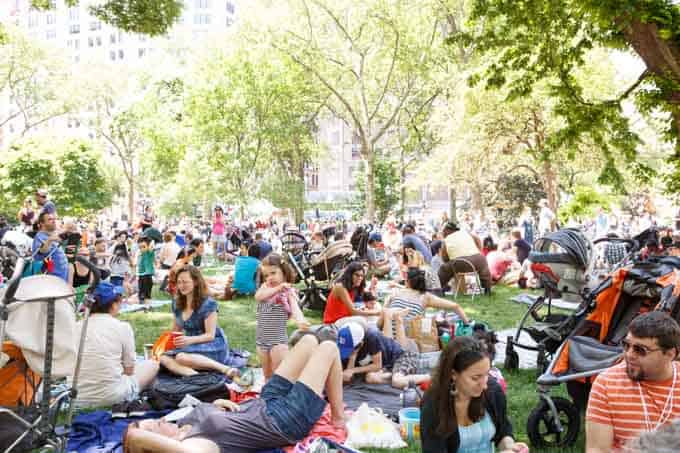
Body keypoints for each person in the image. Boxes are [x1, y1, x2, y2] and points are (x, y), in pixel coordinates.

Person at [123, 335, 346, 453]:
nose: (160, 420)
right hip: (284, 420)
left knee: (308, 341)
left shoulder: (182, 423)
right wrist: (134, 437)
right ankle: (338, 418)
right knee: (328, 347)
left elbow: (209, 413)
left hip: (264, 401)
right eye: (154, 428)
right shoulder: (195, 444)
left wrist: (218, 403)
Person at [585, 311, 680, 453]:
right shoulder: (606, 383)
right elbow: (597, 449)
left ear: (670, 354)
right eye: (626, 345)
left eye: (640, 350)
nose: (629, 355)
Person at [421, 336, 528, 453]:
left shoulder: (493, 391)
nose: (484, 385)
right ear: (453, 374)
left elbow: (503, 430)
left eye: (487, 374)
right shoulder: (433, 404)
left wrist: (510, 446)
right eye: (475, 378)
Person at [73, 282, 159, 407]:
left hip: (77, 398)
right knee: (153, 364)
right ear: (113, 305)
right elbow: (129, 370)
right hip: (112, 397)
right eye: (119, 301)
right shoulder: (122, 327)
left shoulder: (75, 328)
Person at [160, 265, 238, 377]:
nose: (182, 285)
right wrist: (164, 344)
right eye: (179, 282)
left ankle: (225, 369)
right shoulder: (177, 303)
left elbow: (210, 335)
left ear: (195, 282)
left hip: (211, 344)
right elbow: (175, 331)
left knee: (180, 357)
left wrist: (189, 340)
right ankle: (198, 378)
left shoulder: (208, 303)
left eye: (185, 282)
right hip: (189, 345)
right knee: (163, 357)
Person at [254, 254, 310, 380]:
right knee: (267, 374)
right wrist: (278, 288)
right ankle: (267, 393)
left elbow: (295, 308)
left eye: (273, 273)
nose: (270, 278)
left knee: (278, 373)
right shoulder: (265, 288)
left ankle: (279, 392)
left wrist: (300, 320)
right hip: (261, 339)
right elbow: (258, 297)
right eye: (266, 275)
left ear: (284, 273)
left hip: (277, 341)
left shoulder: (287, 292)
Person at [337, 322, 430, 389]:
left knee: (398, 382)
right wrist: (353, 356)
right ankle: (397, 375)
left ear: (360, 343)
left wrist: (353, 370)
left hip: (401, 356)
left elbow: (377, 366)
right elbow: (348, 376)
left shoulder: (372, 337)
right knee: (370, 378)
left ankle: (430, 377)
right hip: (387, 366)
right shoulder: (344, 342)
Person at [382, 267, 469, 331]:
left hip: (388, 332)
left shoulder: (396, 292)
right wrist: (467, 324)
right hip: (410, 335)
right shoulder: (426, 297)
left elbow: (383, 315)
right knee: (440, 320)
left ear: (407, 282)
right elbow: (455, 306)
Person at [322, 262, 381, 328]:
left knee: (376, 306)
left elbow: (369, 297)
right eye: (357, 275)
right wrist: (376, 313)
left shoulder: (355, 286)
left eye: (362, 276)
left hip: (345, 318)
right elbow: (353, 311)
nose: (360, 278)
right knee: (362, 321)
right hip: (333, 323)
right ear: (350, 275)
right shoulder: (340, 287)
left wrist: (372, 287)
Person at [438, 222, 492, 294]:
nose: (443, 233)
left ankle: (438, 289)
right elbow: (478, 240)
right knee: (484, 268)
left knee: (443, 269)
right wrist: (478, 252)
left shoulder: (446, 240)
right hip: (477, 260)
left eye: (443, 231)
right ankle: (487, 289)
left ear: (447, 230)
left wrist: (451, 261)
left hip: (459, 263)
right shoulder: (467, 233)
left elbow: (444, 258)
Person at [31, 212, 68, 282]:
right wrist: (50, 240)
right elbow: (41, 252)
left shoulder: (53, 235)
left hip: (61, 279)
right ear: (42, 223)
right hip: (50, 281)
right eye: (50, 219)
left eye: (54, 219)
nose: (54, 221)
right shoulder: (39, 237)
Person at [136, 237, 155, 304]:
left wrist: (149, 242)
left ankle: (147, 305)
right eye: (140, 247)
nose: (141, 249)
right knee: (141, 292)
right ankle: (142, 304)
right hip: (141, 275)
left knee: (147, 293)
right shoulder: (141, 254)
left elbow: (152, 244)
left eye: (143, 247)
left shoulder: (149, 253)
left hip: (147, 275)